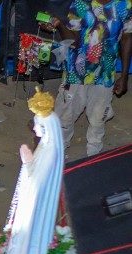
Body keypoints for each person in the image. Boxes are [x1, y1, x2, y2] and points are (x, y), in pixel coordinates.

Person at [42, 0, 132, 156]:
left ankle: (93, 156)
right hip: (76, 72)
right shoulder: (80, 5)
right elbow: (74, 41)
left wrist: (124, 76)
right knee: (65, 116)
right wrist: (59, 25)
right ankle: (58, 153)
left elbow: (127, 38)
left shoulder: (125, 5)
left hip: (105, 73)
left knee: (98, 119)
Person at [5, 88, 65, 254]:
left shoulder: (50, 151)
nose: (35, 129)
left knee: (30, 242)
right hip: (33, 202)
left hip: (35, 208)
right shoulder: (46, 146)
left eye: (38, 126)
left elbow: (38, 182)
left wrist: (28, 163)